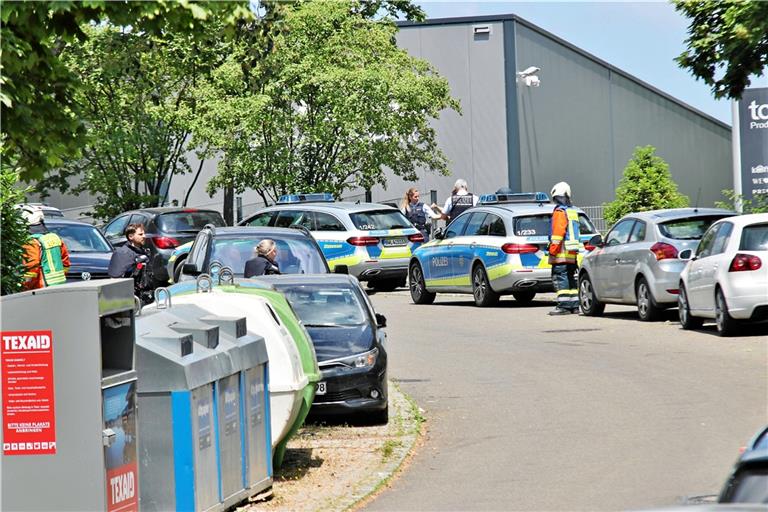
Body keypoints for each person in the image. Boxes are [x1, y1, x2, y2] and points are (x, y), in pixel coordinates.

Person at [547, 182, 582, 315]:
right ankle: (574, 305)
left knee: (560, 279)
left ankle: (564, 306)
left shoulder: (559, 212)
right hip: (571, 254)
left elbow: (557, 234)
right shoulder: (572, 211)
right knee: (571, 280)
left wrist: (552, 250)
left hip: (560, 254)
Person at [19, 205, 71, 290]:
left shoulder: (30, 242)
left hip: (41, 287)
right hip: (60, 285)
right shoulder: (55, 238)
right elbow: (66, 264)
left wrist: (25, 286)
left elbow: (32, 268)